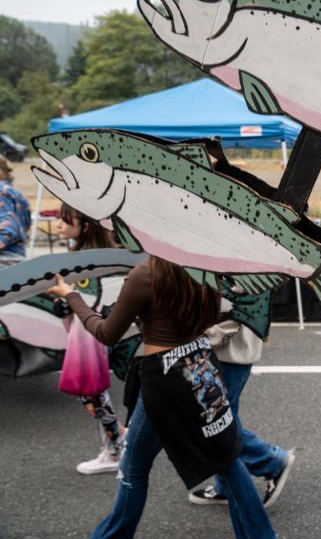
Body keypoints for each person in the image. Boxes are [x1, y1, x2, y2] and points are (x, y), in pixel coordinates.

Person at [48, 256, 275, 538]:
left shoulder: (147, 273)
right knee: (225, 456)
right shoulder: (205, 264)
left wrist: (71, 296)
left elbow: (107, 333)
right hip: (202, 364)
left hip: (166, 380)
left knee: (134, 470)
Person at [189, 319, 296, 508]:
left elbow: (237, 309)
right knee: (224, 419)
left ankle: (271, 461)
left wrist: (203, 336)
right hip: (227, 349)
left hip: (225, 351)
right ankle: (225, 486)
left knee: (216, 425)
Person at [56, 204, 127, 475]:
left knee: (90, 391)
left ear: (85, 226)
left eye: (65, 221)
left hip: (88, 334)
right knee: (92, 392)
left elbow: (84, 301)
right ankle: (116, 440)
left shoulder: (85, 262)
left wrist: (63, 299)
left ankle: (115, 445)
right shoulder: (96, 256)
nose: (59, 226)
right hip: (92, 330)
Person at [0, 157, 31, 266]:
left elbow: (8, 229)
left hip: (4, 262)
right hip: (17, 259)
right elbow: (26, 224)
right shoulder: (15, 193)